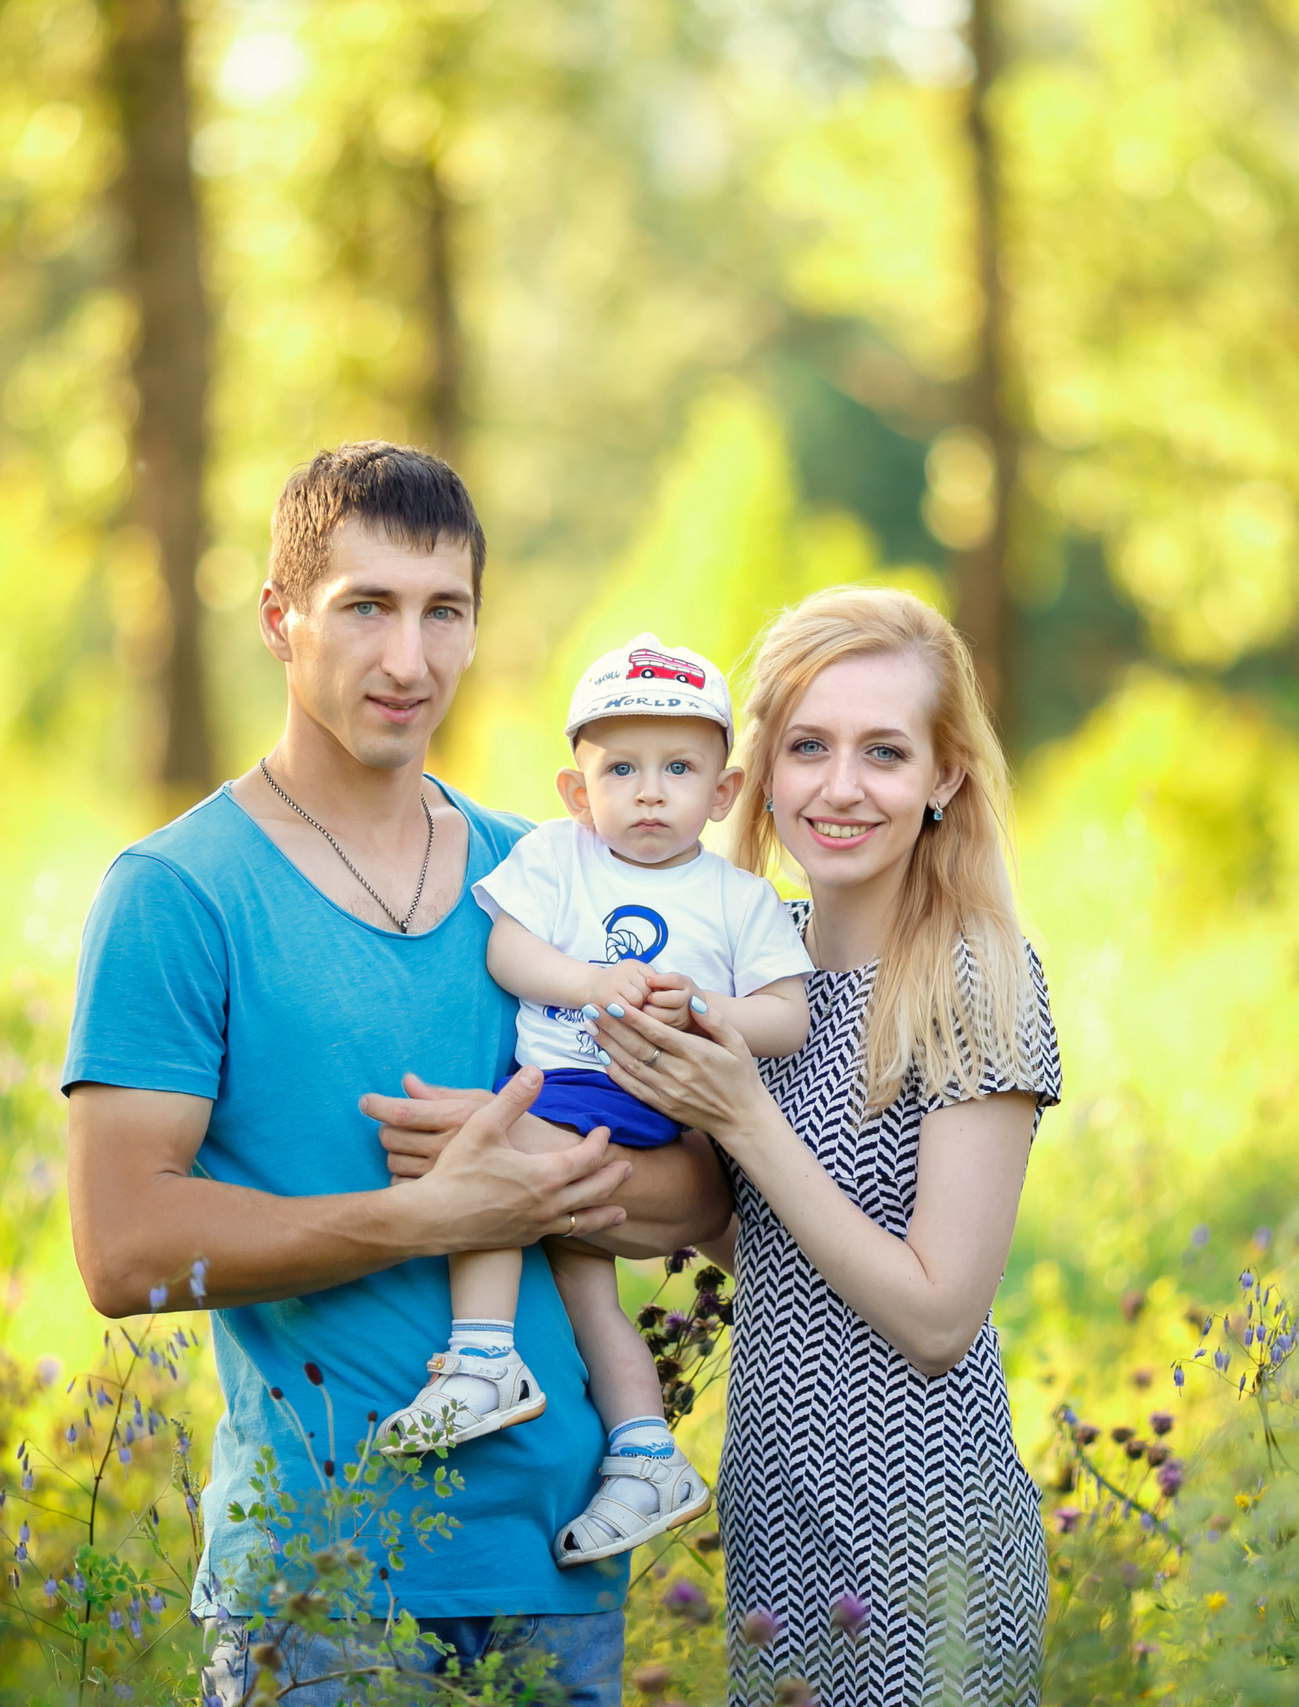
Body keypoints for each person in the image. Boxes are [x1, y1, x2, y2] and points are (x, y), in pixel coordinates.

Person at [59, 443, 728, 1707]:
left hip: (559, 1562)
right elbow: (123, 1250)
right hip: (319, 1584)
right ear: (279, 619)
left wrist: (529, 1171)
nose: (409, 662)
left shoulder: (559, 878)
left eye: (445, 612)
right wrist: (427, 1219)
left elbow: (696, 1199)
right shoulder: (176, 894)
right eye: (366, 607)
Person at [372, 586, 1058, 1706]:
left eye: (884, 753)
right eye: (808, 748)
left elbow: (938, 1319)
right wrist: (505, 1148)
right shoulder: (758, 964)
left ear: (943, 779)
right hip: (778, 1517)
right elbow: (736, 1235)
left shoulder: (974, 980)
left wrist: (743, 1114)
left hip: (923, 1533)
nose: (839, 787)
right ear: (761, 775)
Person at [376, 633, 814, 1570]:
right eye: (621, 768)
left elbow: (788, 1016)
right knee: (587, 1287)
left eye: (679, 767)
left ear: (726, 792)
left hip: (647, 1089)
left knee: (488, 1160)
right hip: (564, 1079)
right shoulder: (557, 856)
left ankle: (486, 1354)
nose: (649, 790)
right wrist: (587, 982)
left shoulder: (737, 899)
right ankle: (647, 1452)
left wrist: (696, 1006)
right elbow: (509, 952)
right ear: (579, 791)